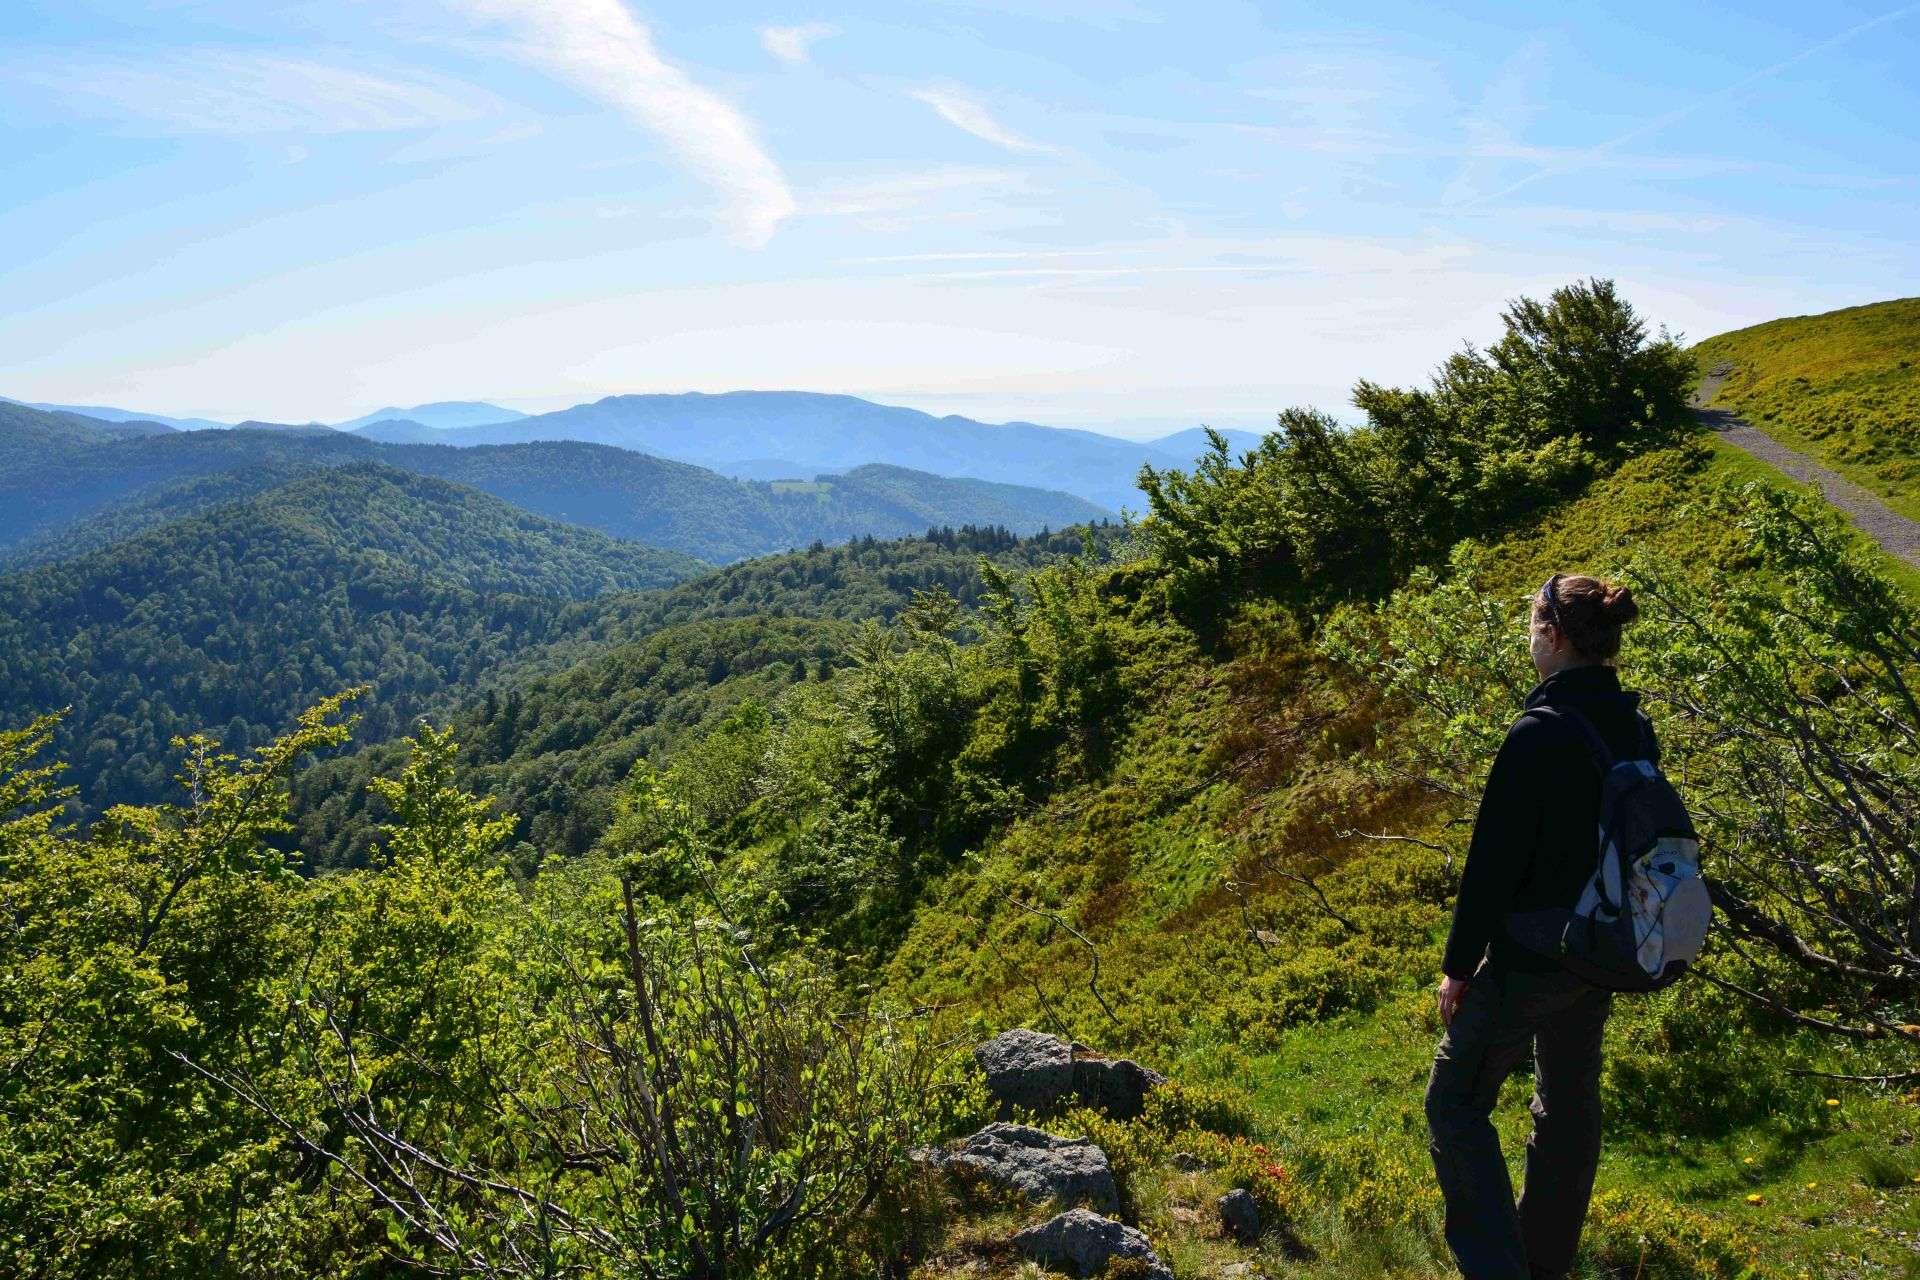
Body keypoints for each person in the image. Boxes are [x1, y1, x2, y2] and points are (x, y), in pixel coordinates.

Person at [1425, 573, 1646, 1280]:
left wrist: (1459, 967)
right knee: (1568, 1104)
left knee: (1455, 1103)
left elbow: (1493, 863)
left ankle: (1498, 1270)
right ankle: (1544, 1262)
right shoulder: (1630, 723)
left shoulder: (1538, 733)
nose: (1527, 636)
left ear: (1552, 634)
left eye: (1530, 623)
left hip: (1533, 954)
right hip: (1605, 948)